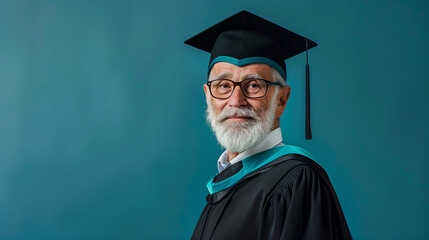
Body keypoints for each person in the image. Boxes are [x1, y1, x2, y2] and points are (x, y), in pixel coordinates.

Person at [185, 10, 352, 240]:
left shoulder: (296, 183)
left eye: (253, 85)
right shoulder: (224, 185)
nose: (235, 101)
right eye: (223, 85)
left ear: (281, 100)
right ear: (208, 96)